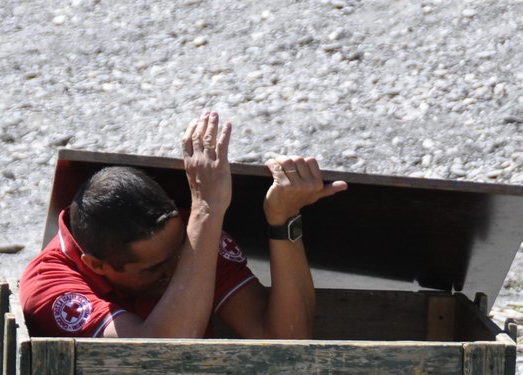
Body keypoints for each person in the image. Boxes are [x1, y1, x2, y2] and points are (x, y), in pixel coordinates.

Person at [20, 111, 347, 339]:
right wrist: (208, 207)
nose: (178, 268)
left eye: (180, 252)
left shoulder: (195, 237)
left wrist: (284, 219)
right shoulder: (51, 284)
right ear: (96, 265)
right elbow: (159, 356)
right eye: (155, 269)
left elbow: (288, 341)